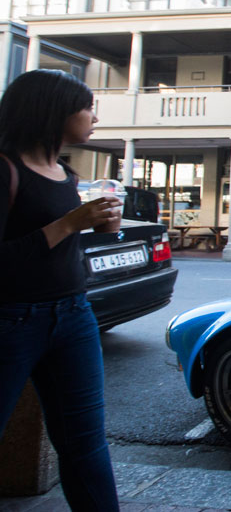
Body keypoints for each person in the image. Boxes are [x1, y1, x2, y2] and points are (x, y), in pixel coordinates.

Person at [0, 69, 123, 511]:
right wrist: (70, 222)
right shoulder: (6, 168)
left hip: (73, 316)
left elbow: (59, 244)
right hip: (13, 321)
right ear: (54, 111)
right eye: (89, 107)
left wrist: (100, 226)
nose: (94, 118)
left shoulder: (64, 173)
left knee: (86, 443)